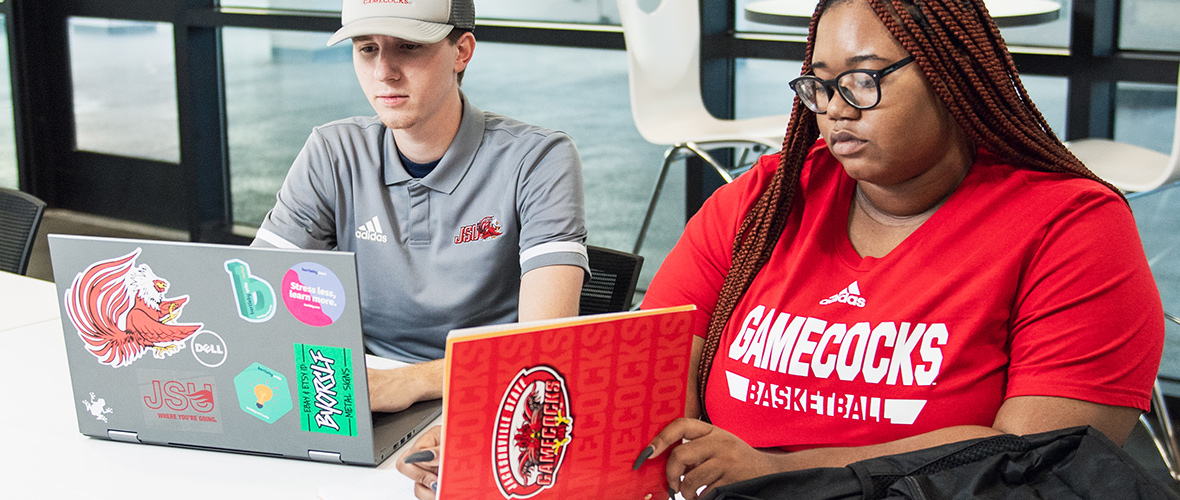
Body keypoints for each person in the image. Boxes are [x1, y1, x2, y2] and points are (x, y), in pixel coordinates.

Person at [633, 0, 1165, 499]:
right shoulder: (764, 202)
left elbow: (1037, 467)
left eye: (863, 80)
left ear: (949, 74)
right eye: (820, 85)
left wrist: (780, 473)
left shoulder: (1070, 227)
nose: (836, 109)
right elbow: (646, 379)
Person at [251, 0, 589, 415]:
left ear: (461, 52)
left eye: (408, 47)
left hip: (494, 396)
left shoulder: (538, 159)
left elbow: (545, 347)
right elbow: (256, 305)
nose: (384, 72)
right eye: (367, 48)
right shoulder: (333, 151)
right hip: (365, 390)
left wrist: (411, 381)